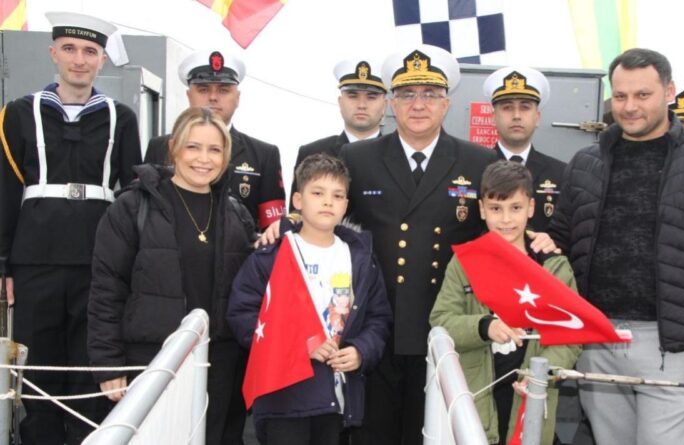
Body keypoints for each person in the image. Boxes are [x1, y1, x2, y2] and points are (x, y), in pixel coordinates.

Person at [548, 48, 684, 445]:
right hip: (596, 339)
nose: (630, 107)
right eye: (621, 96)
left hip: (673, 346)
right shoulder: (585, 163)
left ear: (669, 91)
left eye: (643, 95)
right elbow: (561, 242)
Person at [337, 44, 498, 445]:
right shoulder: (358, 158)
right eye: (408, 94)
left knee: (432, 434)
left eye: (430, 94)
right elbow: (329, 224)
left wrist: (536, 237)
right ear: (392, 103)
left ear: (446, 103)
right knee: (373, 434)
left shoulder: (478, 162)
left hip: (443, 325)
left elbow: (497, 232)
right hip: (376, 327)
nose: (419, 104)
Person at [0, 11, 141, 444]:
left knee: (89, 367)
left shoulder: (120, 117)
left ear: (102, 60)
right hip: (34, 260)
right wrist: (3, 264)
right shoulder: (18, 113)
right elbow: (5, 191)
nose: (79, 59)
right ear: (53, 53)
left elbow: (133, 195)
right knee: (37, 369)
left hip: (98, 260)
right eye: (69, 49)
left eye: (90, 51)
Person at [88, 107, 256, 444]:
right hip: (150, 359)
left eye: (214, 149)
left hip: (219, 364)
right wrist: (108, 364)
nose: (203, 159)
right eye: (193, 147)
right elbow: (107, 288)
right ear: (173, 148)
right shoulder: (132, 207)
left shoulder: (237, 214)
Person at [227, 153, 392, 445]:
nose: (328, 202)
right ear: (298, 200)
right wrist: (299, 345)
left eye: (337, 195)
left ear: (346, 205)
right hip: (284, 396)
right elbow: (243, 316)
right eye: (318, 193)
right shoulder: (271, 255)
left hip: (336, 398)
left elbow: (378, 318)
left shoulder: (361, 258)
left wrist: (361, 351)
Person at [430, 160, 581, 445]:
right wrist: (485, 326)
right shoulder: (464, 262)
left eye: (516, 208)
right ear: (482, 209)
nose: (506, 219)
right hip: (476, 391)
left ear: (531, 208)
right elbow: (441, 320)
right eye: (496, 209)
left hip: (530, 391)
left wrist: (542, 372)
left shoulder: (553, 266)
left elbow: (570, 336)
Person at [145, 49, 285, 230]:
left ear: (237, 98)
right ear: (189, 95)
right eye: (203, 89)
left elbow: (272, 229)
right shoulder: (159, 147)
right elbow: (143, 211)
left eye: (223, 90)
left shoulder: (264, 155)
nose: (213, 97)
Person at [289, 58, 387, 207]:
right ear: (340, 102)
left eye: (371, 97)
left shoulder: (400, 154)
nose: (361, 105)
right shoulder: (311, 152)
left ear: (385, 105)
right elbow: (298, 213)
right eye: (353, 96)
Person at [483, 67, 565, 231]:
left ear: (537, 117)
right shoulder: (477, 167)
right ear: (493, 117)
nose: (516, 116)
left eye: (525, 107)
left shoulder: (561, 173)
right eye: (507, 107)